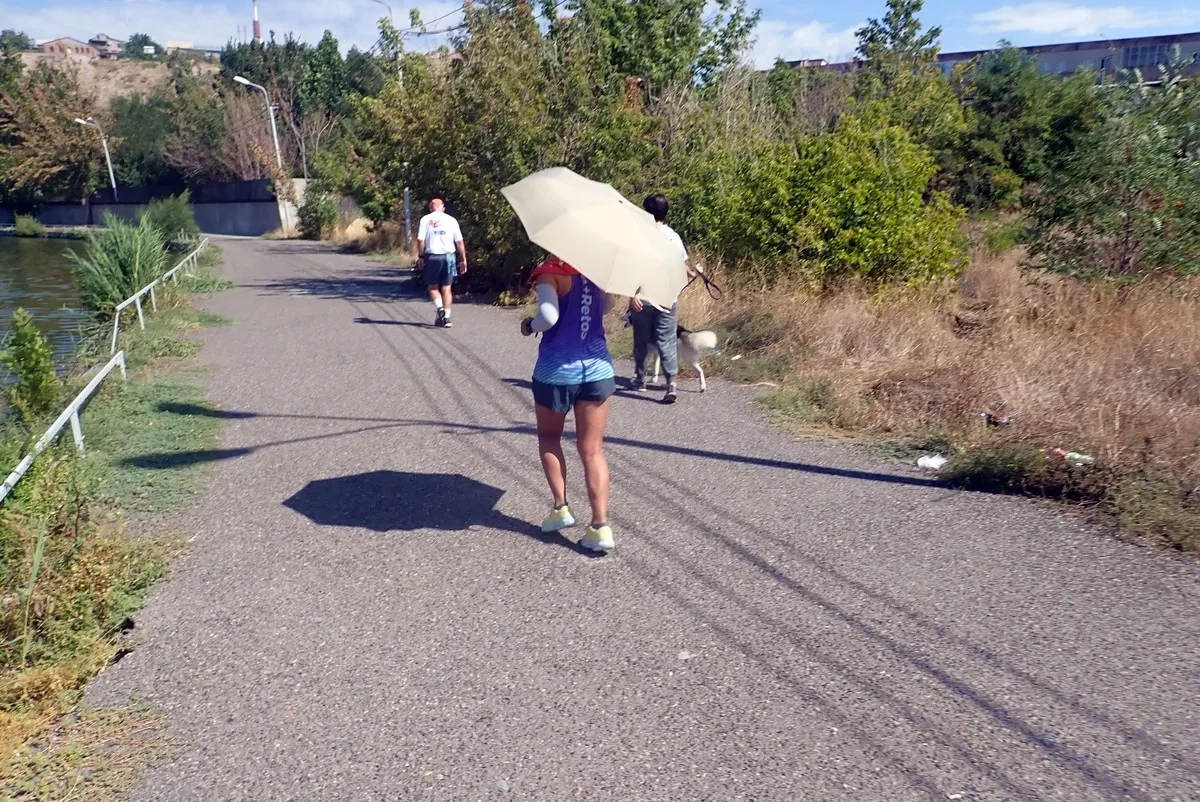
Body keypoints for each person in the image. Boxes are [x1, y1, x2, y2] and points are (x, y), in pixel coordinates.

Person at [520, 256, 616, 553]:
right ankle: (600, 527)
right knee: (592, 450)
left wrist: (528, 325)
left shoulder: (551, 272)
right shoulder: (597, 271)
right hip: (598, 369)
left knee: (549, 438)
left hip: (556, 371)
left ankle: (561, 508)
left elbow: (549, 317)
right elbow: (609, 306)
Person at [629, 193, 699, 403]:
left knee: (641, 339)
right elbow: (681, 264)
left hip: (643, 298)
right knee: (667, 340)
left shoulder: (639, 236)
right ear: (665, 213)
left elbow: (631, 267)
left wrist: (632, 294)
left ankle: (641, 379)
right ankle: (671, 384)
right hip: (668, 299)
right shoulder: (673, 236)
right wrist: (693, 273)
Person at [415, 198, 468, 328]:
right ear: (443, 208)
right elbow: (459, 242)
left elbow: (420, 240)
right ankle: (447, 318)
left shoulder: (425, 220)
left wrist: (421, 256)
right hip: (449, 256)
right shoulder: (451, 220)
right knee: (447, 288)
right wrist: (463, 259)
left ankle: (440, 309)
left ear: (430, 207)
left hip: (433, 255)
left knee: (433, 287)